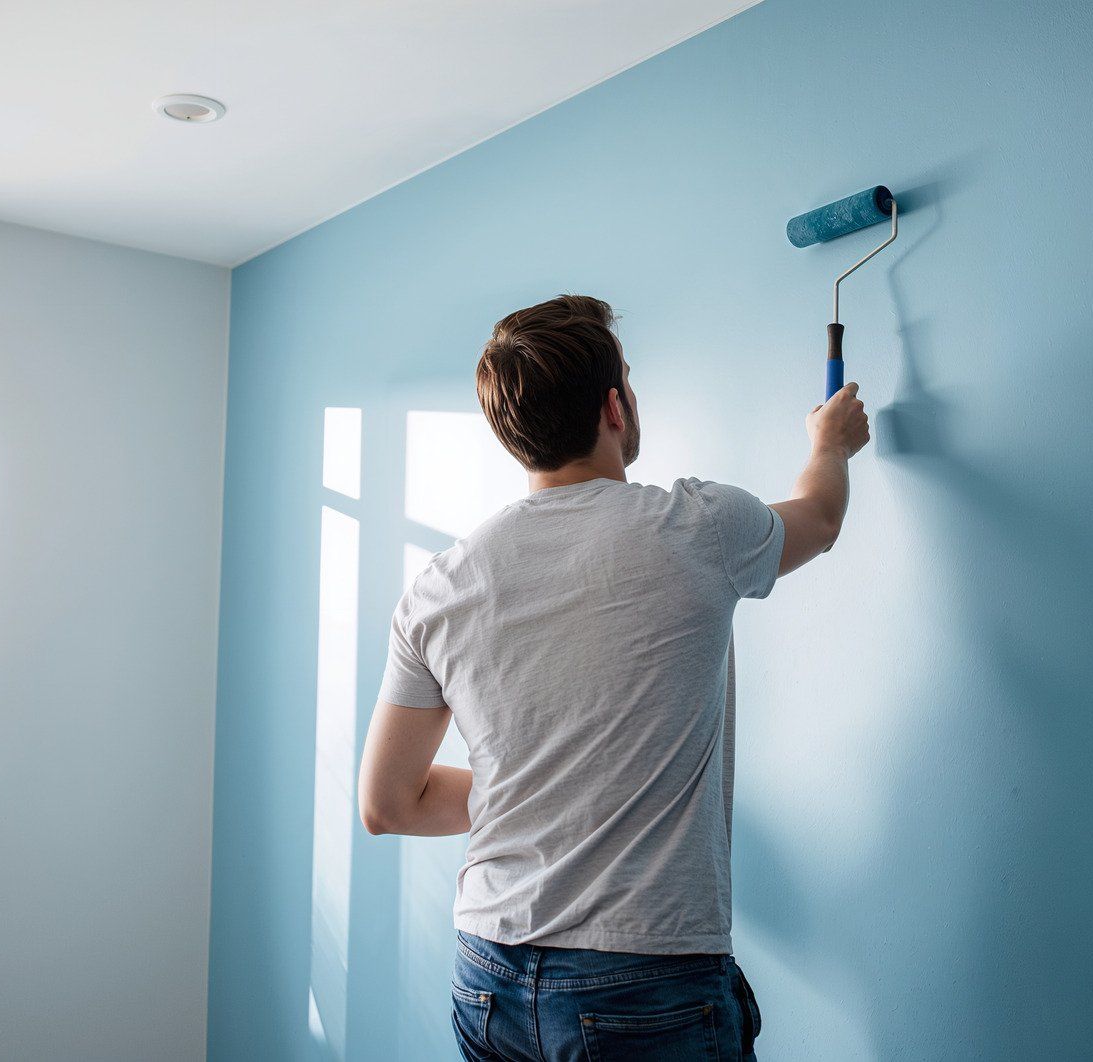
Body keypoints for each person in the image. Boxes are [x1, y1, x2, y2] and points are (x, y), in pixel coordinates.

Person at [357, 294, 869, 1061]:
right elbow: (820, 519)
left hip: (486, 973)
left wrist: (539, 784)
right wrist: (830, 442)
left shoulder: (441, 586)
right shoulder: (698, 527)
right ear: (615, 406)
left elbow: (388, 804)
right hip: (642, 984)